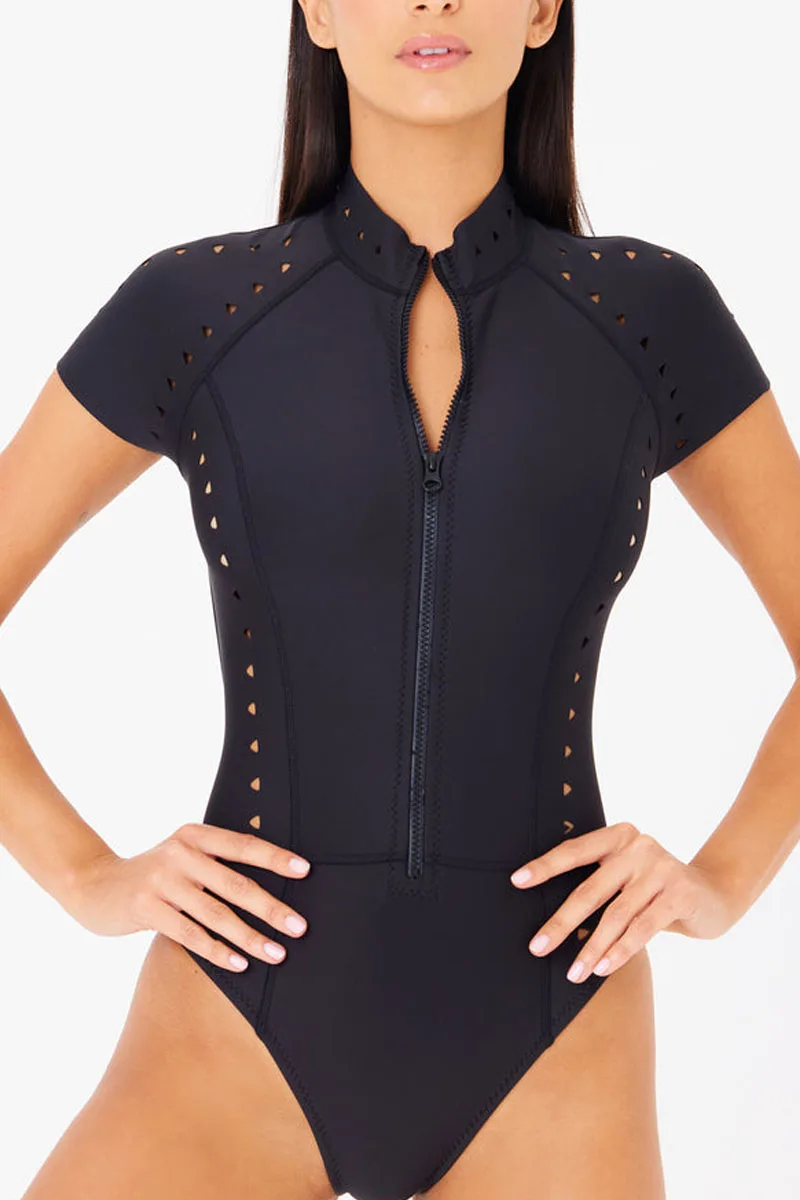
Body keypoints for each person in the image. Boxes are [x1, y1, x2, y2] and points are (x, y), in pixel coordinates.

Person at [3, 2, 798, 1198]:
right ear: (319, 11)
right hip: (233, 1034)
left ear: (541, 10)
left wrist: (725, 879)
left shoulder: (646, 315)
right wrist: (80, 873)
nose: (432, 3)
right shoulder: (199, 308)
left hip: (554, 1040)